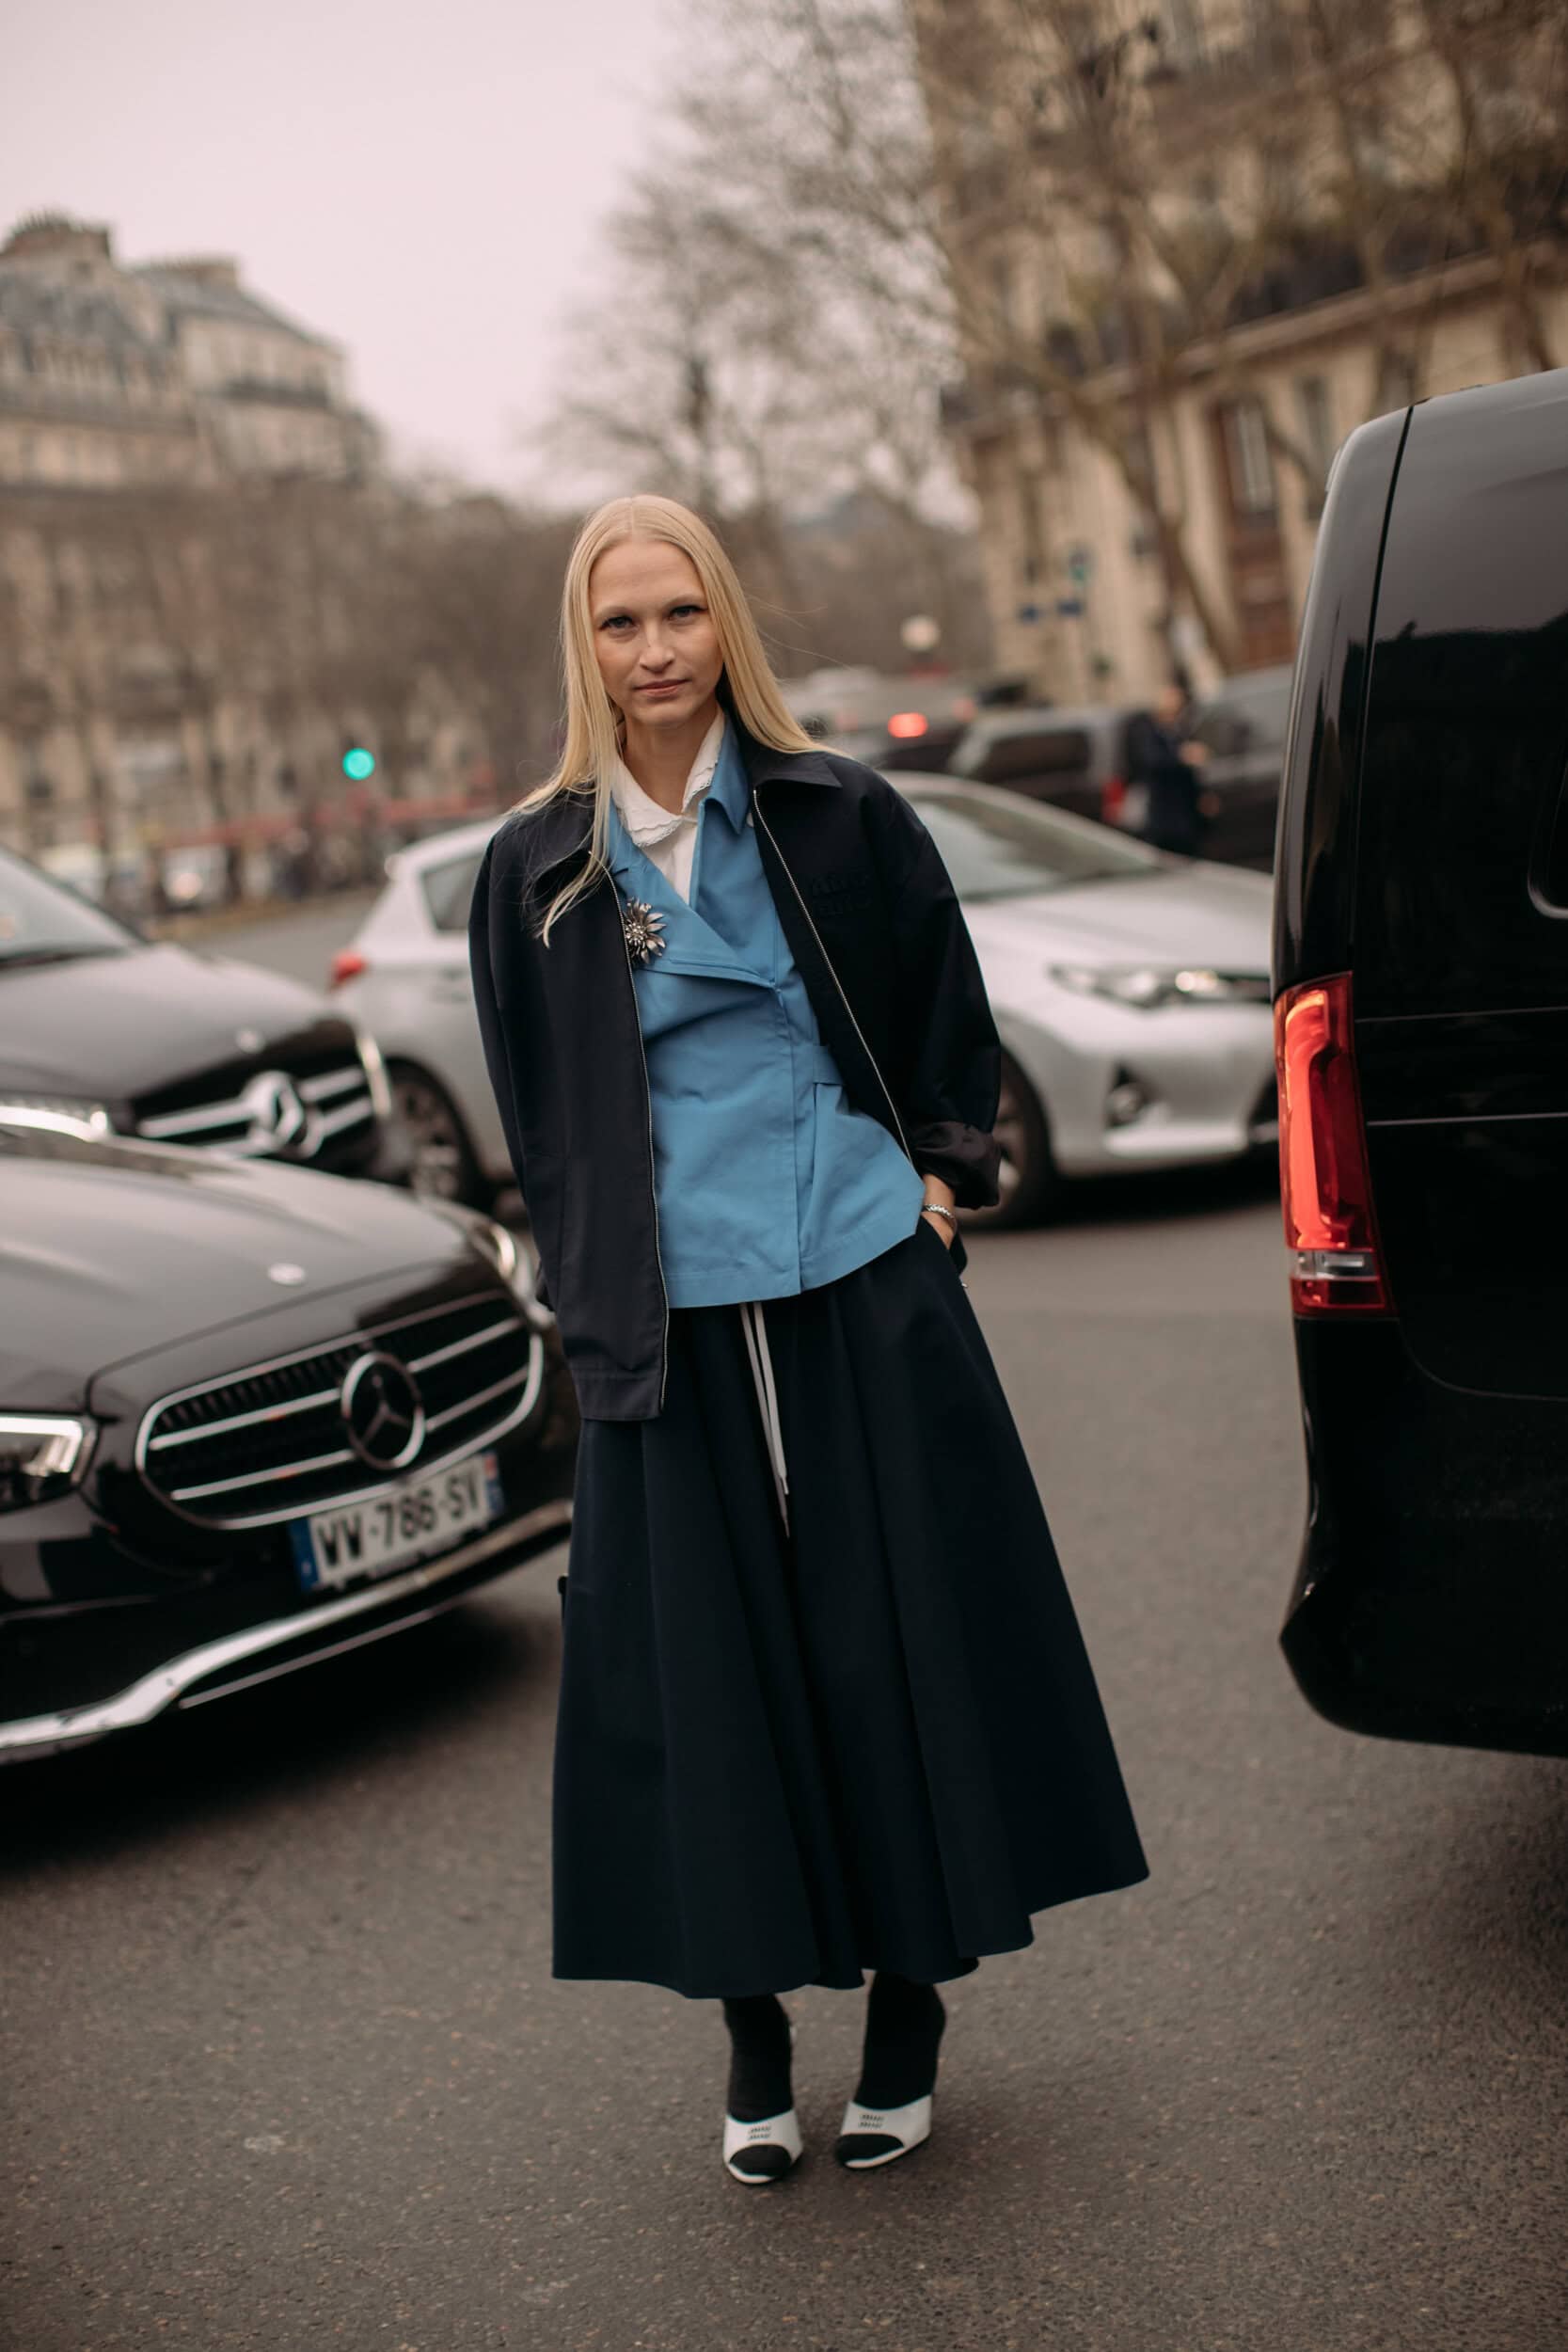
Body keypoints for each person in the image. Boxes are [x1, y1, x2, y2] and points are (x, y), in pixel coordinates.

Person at [467, 495, 1147, 2186]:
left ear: (724, 624)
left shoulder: (841, 812)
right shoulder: (533, 867)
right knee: (711, 1678)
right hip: (661, 1317)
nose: (651, 652)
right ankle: (754, 2038)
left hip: (856, 1266)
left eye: (678, 614)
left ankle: (911, 2010)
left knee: (894, 1642)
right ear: (585, 644)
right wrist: (585, 1276)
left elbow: (943, 1008)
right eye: (618, 624)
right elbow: (538, 1111)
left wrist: (938, 1178)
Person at [1126, 680, 1208, 855]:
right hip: (1165, 816)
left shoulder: (1179, 730)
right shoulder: (1149, 732)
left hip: (1185, 812)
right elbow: (1152, 762)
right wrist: (1182, 757)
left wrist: (1202, 794)